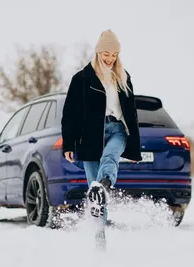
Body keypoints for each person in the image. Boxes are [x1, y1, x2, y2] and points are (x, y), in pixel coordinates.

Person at [61, 29, 142, 221]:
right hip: (89, 134)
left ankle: (105, 184)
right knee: (93, 187)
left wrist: (134, 148)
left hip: (117, 129)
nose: (110, 58)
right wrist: (69, 144)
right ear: (98, 53)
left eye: (114, 55)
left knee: (110, 157)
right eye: (106, 54)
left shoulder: (123, 77)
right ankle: (100, 234)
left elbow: (132, 113)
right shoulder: (82, 78)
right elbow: (70, 114)